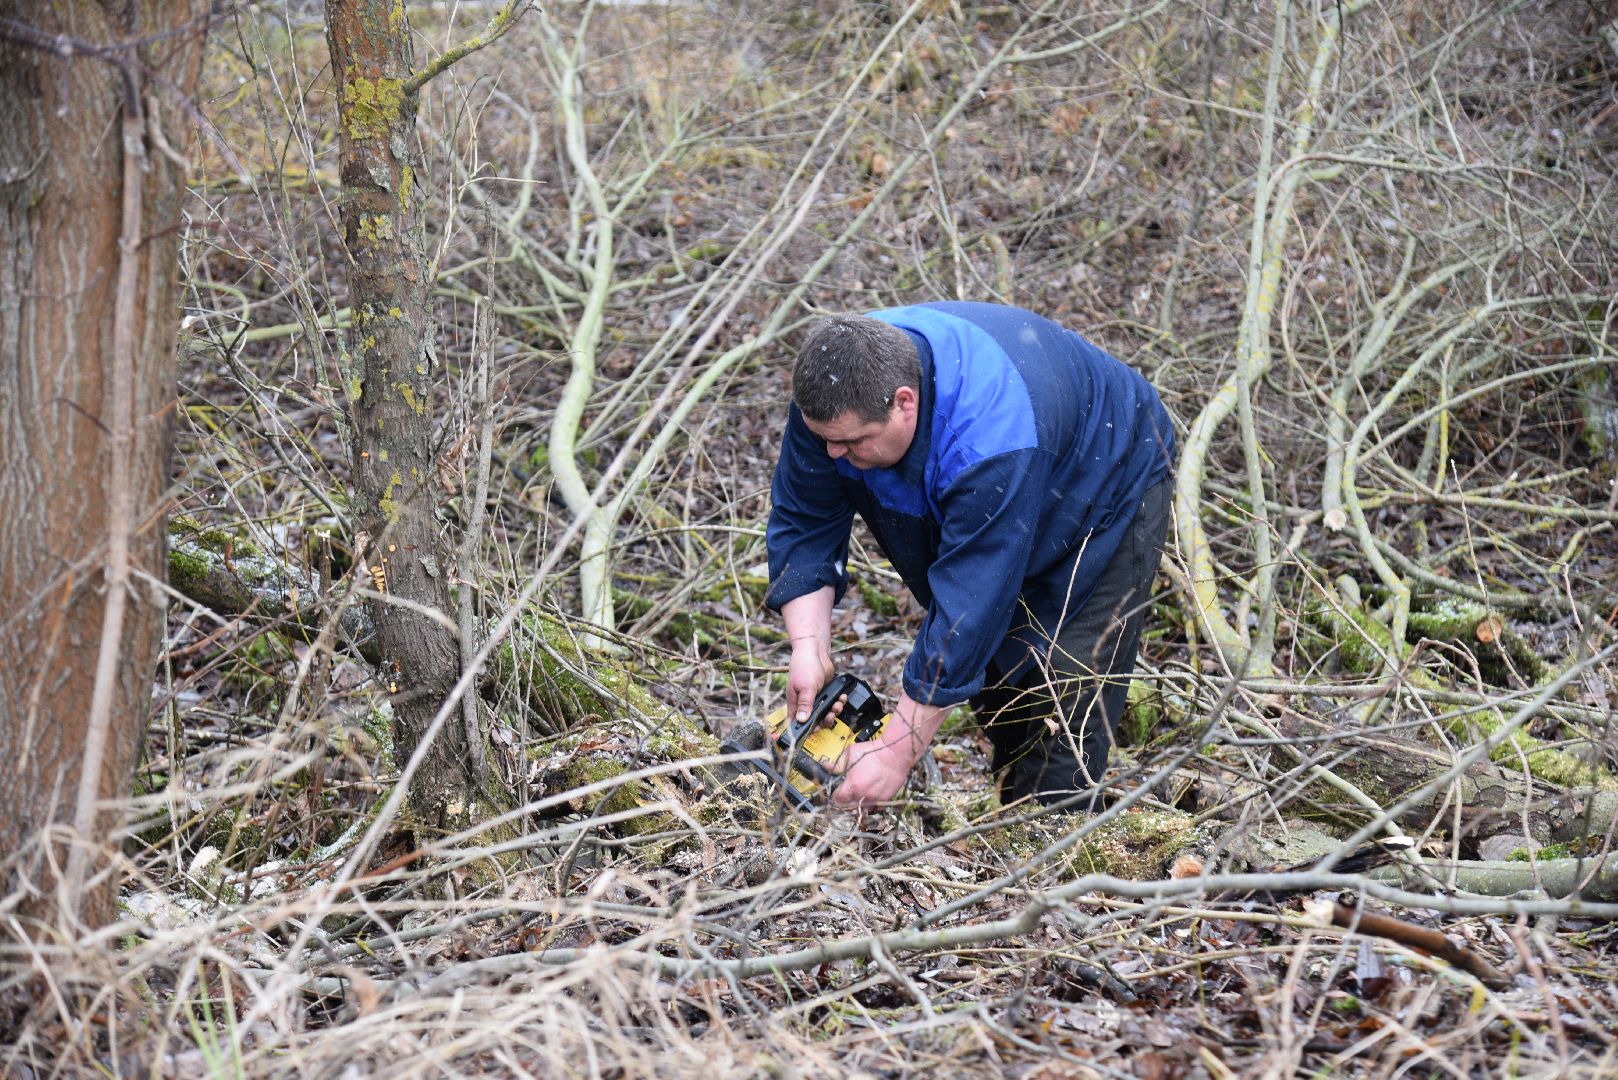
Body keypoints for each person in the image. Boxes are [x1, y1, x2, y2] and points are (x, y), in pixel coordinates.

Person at [765, 301, 1175, 811]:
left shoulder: (987, 438)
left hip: (1108, 482)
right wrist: (809, 647)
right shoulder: (836, 397)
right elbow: (804, 519)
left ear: (904, 403)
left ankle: (1055, 832)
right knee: (1001, 680)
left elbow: (968, 609)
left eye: (851, 443)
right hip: (1010, 467)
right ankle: (1010, 807)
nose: (833, 454)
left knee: (1067, 693)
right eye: (825, 440)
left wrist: (895, 753)